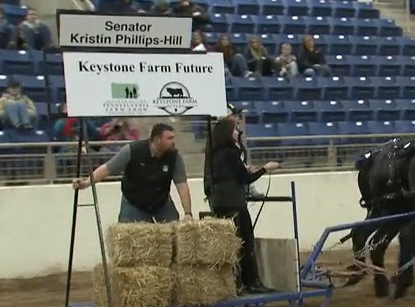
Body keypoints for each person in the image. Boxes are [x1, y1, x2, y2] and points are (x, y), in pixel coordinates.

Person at [205, 115, 280, 295]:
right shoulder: (230, 152)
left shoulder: (214, 152)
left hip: (220, 201)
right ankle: (251, 282)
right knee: (245, 242)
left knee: (231, 244)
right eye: (235, 129)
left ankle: (237, 283)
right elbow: (246, 178)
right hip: (234, 202)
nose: (239, 131)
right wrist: (265, 168)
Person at [71, 123, 195, 223]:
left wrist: (188, 213)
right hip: (133, 203)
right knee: (129, 240)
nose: (173, 141)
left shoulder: (174, 156)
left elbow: (182, 185)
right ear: (157, 140)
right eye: (169, 138)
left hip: (161, 203)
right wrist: (86, 183)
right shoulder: (132, 150)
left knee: (174, 237)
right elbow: (107, 168)